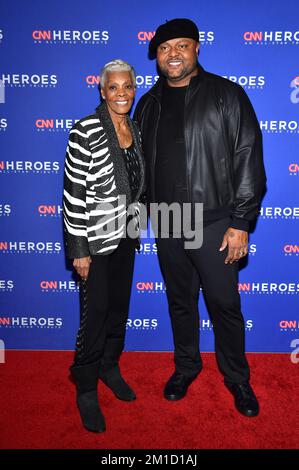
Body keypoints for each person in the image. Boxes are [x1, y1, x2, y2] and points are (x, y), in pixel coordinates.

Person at [134, 19, 266, 417]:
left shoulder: (226, 95)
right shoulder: (148, 103)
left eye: (181, 45)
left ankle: (237, 378)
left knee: (224, 303)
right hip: (169, 220)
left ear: (196, 49)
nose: (172, 53)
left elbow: (248, 158)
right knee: (180, 302)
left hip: (214, 222)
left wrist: (240, 221)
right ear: (156, 56)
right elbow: (138, 166)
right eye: (163, 48)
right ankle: (186, 367)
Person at [63, 59, 145, 432]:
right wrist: (78, 249)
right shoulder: (86, 130)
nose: (121, 93)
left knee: (117, 311)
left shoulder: (135, 128)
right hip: (95, 243)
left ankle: (110, 368)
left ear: (134, 87)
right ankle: (85, 387)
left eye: (127, 86)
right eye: (113, 87)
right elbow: (73, 193)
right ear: (102, 91)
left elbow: (137, 183)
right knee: (93, 318)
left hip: (127, 237)